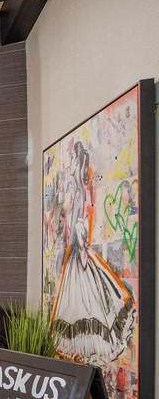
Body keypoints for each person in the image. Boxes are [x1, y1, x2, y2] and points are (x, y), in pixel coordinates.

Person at [51, 141, 135, 365]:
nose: (70, 163)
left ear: (77, 161)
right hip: (75, 253)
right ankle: (83, 354)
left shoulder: (78, 188)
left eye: (72, 159)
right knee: (81, 304)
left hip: (77, 253)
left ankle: (85, 353)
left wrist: (77, 240)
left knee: (86, 303)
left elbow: (77, 221)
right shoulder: (76, 187)